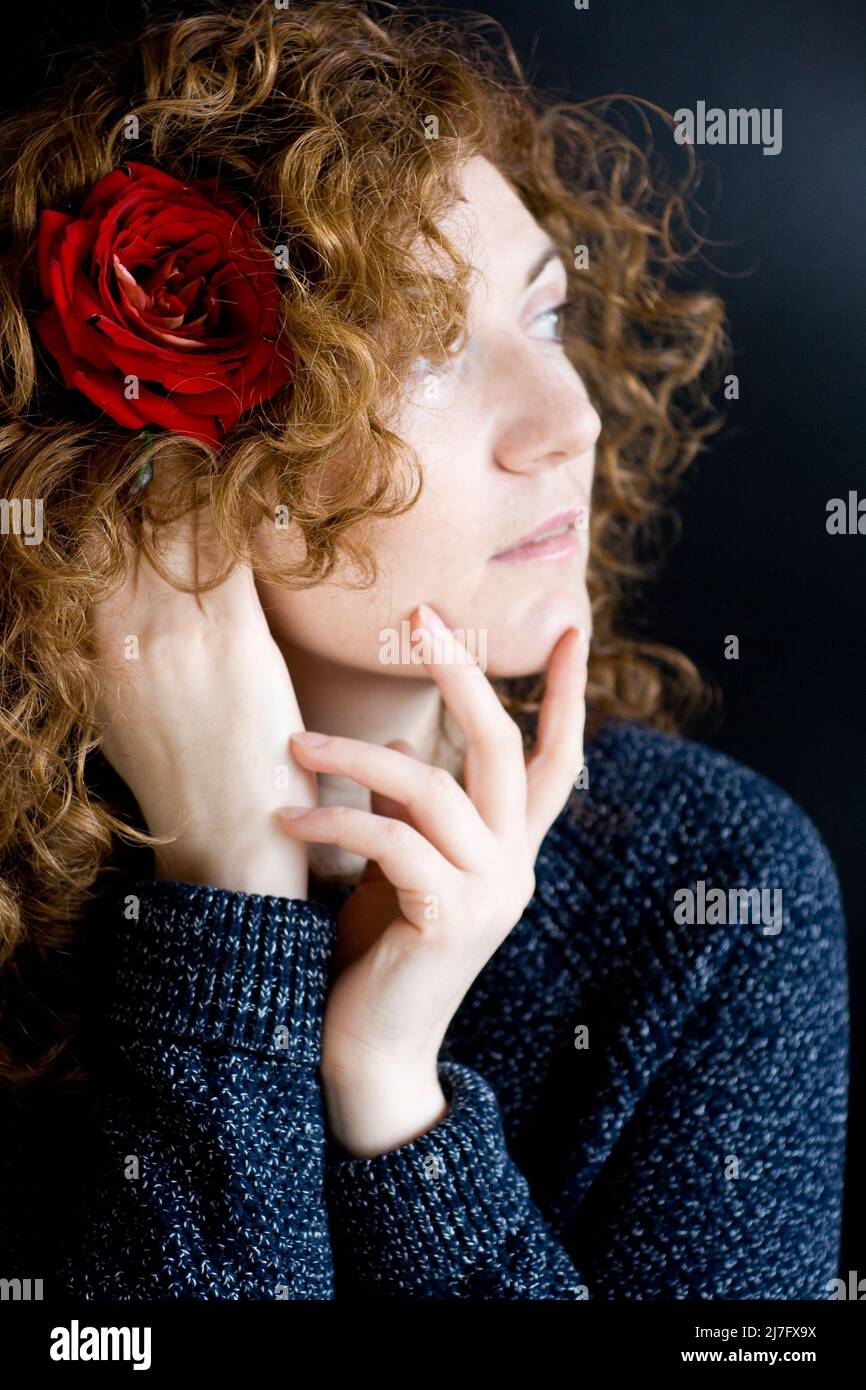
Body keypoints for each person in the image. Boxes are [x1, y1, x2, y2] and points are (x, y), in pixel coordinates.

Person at [0, 0, 848, 1300]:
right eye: (431, 352)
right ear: (172, 470)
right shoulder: (29, 931)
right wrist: (230, 898)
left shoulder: (708, 889)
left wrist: (393, 1094)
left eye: (549, 318)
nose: (567, 419)